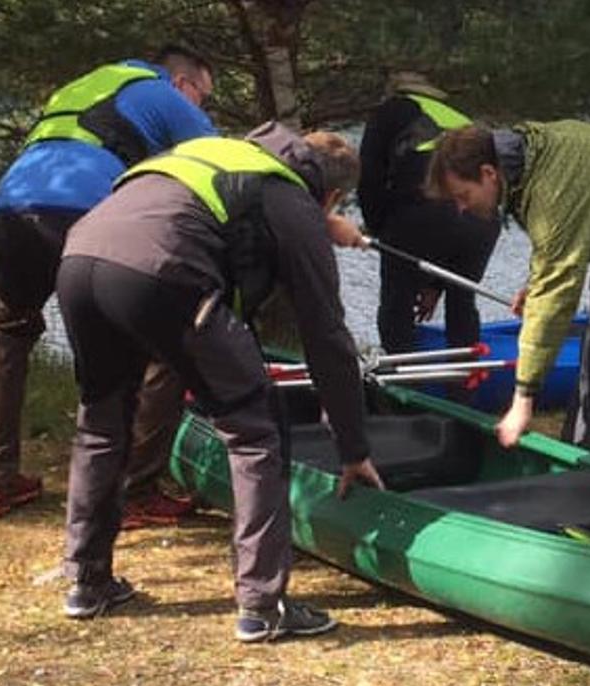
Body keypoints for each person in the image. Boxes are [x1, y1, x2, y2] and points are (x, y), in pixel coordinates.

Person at [55, 122, 385, 641]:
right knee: (256, 430)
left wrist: (319, 223)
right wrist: (353, 447)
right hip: (163, 270)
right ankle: (262, 606)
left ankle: (87, 582)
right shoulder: (292, 201)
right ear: (334, 195)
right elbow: (328, 339)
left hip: (80, 259)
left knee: (102, 420)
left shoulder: (229, 154)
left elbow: (216, 217)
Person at [0, 45, 217, 519]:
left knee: (7, 343)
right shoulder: (162, 93)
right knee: (165, 342)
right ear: (184, 85)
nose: (201, 107)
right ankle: (136, 489)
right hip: (83, 210)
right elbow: (219, 161)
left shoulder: (84, 86)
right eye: (203, 97)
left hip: (9, 206)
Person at [426, 121, 590, 463]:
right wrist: (537, 285)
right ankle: (579, 455)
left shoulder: (550, 186)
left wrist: (522, 400)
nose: (461, 208)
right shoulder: (523, 167)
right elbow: (554, 249)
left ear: (488, 173)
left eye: (463, 196)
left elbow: (559, 284)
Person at [358, 72, 500, 367]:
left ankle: (406, 392)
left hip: (422, 210)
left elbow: (369, 177)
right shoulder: (455, 116)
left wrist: (381, 235)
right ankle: (464, 390)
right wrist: (435, 284)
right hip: (482, 217)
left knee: (397, 307)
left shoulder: (389, 111)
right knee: (462, 302)